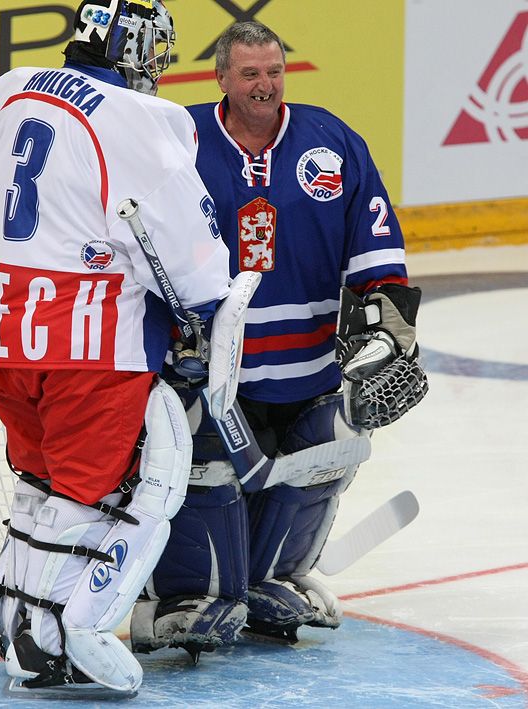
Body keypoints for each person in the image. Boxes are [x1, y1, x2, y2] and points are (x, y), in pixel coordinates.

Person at [0, 0, 237, 695]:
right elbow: (192, 262)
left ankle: (13, 612)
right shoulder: (138, 120)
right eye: (156, 53)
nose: (159, 70)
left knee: (37, 484)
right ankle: (44, 647)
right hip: (89, 346)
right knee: (89, 497)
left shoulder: (11, 86)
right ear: (133, 50)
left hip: (4, 336)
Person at [130, 21, 427, 659]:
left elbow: (372, 239)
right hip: (209, 372)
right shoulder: (177, 141)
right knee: (199, 470)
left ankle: (274, 577)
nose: (265, 86)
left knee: (332, 442)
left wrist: (388, 319)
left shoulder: (330, 139)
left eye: (273, 72)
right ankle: (181, 594)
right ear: (221, 78)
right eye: (249, 74)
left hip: (311, 366)